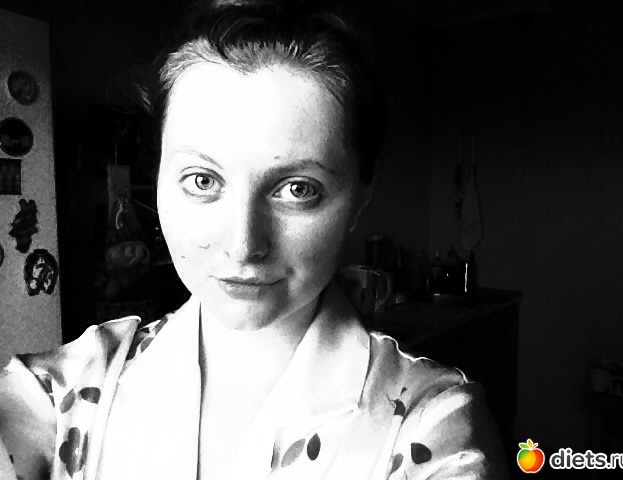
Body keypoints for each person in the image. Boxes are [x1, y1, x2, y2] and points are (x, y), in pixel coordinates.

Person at [0, 1, 508, 479]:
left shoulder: (431, 424)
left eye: (298, 189)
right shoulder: (56, 394)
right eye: (202, 180)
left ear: (360, 198)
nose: (243, 246)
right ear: (158, 177)